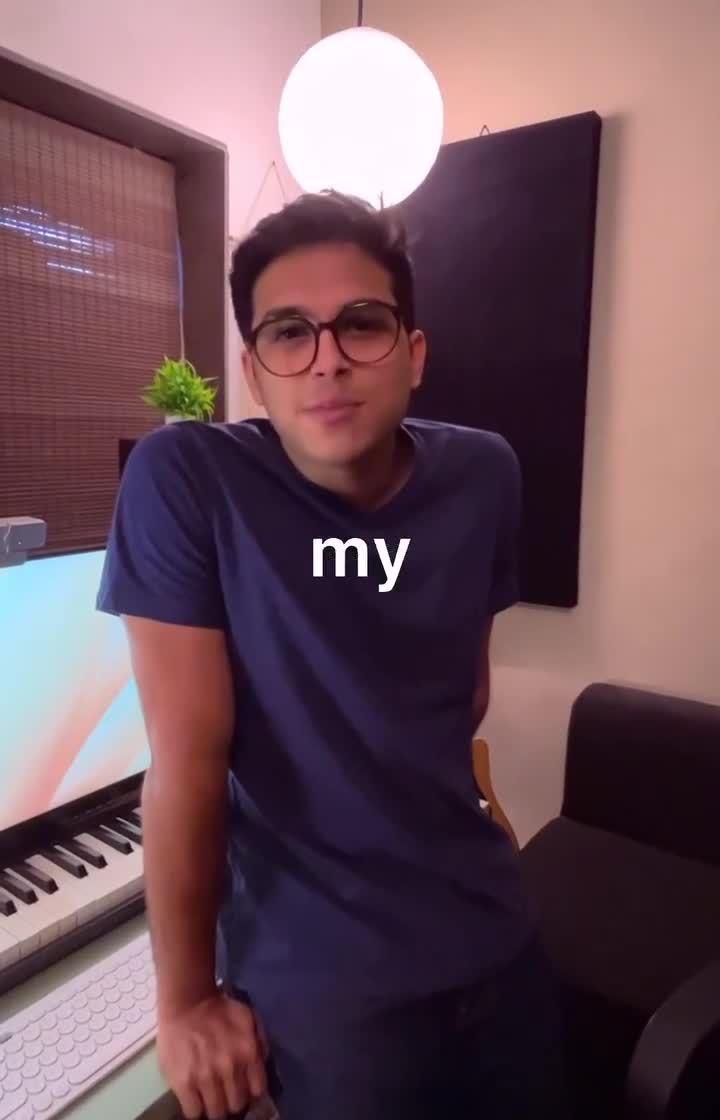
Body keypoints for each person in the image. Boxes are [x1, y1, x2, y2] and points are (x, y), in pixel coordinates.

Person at [98, 190, 568, 1120]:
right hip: (329, 994)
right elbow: (188, 762)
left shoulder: (484, 473)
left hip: (496, 935)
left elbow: (464, 693)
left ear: (413, 353)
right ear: (253, 372)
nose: (328, 360)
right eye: (288, 333)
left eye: (361, 323)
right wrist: (186, 1001)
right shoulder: (188, 482)